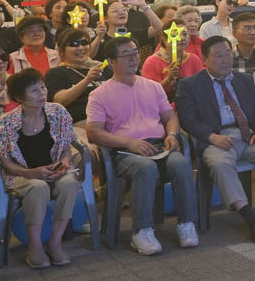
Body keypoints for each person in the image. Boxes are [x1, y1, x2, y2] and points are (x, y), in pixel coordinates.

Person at [174, 33, 255, 243]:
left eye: (228, 54)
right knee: (220, 164)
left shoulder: (244, 79)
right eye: (218, 56)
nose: (225, 60)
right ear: (204, 59)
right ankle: (250, 218)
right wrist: (211, 137)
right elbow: (187, 119)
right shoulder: (190, 85)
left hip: (248, 135)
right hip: (217, 138)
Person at [84, 35, 198, 256]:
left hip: (158, 145)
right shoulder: (99, 94)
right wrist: (130, 142)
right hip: (124, 151)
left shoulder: (153, 87)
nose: (133, 58)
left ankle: (186, 223)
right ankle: (142, 231)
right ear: (112, 61)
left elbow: (170, 117)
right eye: (126, 55)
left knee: (180, 163)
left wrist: (172, 134)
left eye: (135, 53)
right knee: (145, 168)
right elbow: (93, 132)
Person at [0, 68, 84, 269]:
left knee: (69, 183)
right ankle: (34, 246)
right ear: (20, 98)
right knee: (38, 187)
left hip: (54, 171)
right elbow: (7, 164)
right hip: (22, 175)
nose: (42, 93)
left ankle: (55, 242)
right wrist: (31, 173)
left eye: (42, 88)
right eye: (34, 90)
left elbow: (66, 149)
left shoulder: (57, 112)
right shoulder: (6, 122)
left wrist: (64, 163)